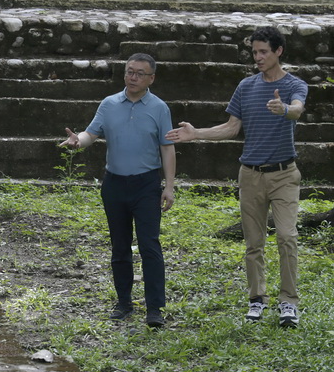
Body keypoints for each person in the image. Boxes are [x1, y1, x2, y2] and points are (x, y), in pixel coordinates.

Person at [166, 26, 307, 328]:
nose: (258, 57)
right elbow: (231, 128)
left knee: (287, 237)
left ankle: (288, 303)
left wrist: (283, 108)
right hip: (250, 175)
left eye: (263, 52)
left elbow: (297, 110)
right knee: (253, 242)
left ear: (278, 51)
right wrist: (195, 134)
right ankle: (257, 300)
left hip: (284, 174)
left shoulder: (295, 84)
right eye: (255, 52)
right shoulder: (246, 86)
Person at [61, 53, 176, 328]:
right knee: (120, 245)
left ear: (151, 78)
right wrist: (79, 141)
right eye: (129, 71)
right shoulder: (109, 103)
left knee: (150, 245)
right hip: (114, 184)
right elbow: (92, 133)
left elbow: (167, 148)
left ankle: (155, 308)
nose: (133, 77)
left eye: (139, 73)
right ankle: (124, 302)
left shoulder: (159, 108)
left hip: (147, 184)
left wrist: (169, 186)